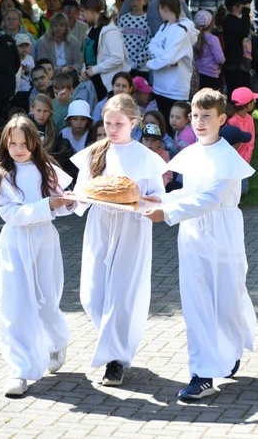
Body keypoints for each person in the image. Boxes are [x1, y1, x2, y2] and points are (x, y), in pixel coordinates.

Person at [143, 88, 255, 401]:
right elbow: (190, 193)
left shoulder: (226, 157)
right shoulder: (192, 152)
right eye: (195, 116)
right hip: (192, 236)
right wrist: (161, 198)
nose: (199, 122)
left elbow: (209, 199)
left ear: (222, 118)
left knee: (227, 299)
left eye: (207, 116)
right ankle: (202, 373)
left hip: (223, 233)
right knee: (196, 303)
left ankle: (230, 349)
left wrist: (166, 212)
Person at [69, 93, 167, 386]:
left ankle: (115, 361)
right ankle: (116, 347)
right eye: (108, 123)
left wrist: (147, 203)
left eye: (118, 124)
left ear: (133, 124)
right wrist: (71, 200)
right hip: (100, 224)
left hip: (132, 228)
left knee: (123, 295)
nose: (112, 129)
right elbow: (81, 193)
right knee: (91, 293)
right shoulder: (95, 153)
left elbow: (158, 197)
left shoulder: (146, 158)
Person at [0, 115, 74, 397]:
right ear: (5, 144)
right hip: (15, 242)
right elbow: (13, 215)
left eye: (25, 143)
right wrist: (49, 204)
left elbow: (61, 208)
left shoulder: (48, 170)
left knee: (46, 299)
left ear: (35, 143)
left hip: (44, 239)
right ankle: (19, 369)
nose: (19, 149)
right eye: (13, 143)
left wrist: (66, 202)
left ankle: (56, 341)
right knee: (15, 304)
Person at [146, 0, 198, 127]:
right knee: (163, 125)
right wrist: (163, 57)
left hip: (175, 89)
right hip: (160, 87)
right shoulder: (164, 27)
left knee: (176, 126)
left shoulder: (182, 30)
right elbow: (152, 46)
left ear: (164, 8)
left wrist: (150, 63)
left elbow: (169, 58)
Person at [79, 0, 131, 102]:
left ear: (91, 10)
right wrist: (84, 72)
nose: (82, 15)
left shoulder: (110, 31)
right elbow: (89, 58)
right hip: (92, 84)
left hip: (107, 86)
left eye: (83, 11)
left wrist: (94, 70)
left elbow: (117, 57)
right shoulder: (90, 31)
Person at [227, 87, 257, 196]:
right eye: (253, 101)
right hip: (230, 163)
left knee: (242, 192)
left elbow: (251, 142)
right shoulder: (230, 120)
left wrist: (245, 161)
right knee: (238, 192)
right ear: (248, 105)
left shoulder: (249, 119)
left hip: (243, 163)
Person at [118, 0, 150, 77]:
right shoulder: (124, 19)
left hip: (142, 68)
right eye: (132, 0)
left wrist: (136, 64)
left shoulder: (148, 20)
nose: (135, 2)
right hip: (123, 65)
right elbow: (118, 40)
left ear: (145, 1)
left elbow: (148, 44)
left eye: (138, 0)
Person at [193, 10, 225, 91]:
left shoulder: (193, 38)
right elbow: (220, 59)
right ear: (211, 24)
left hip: (197, 74)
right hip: (212, 75)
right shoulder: (213, 39)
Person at [140, 122, 172, 189]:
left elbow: (167, 174)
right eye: (146, 139)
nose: (149, 143)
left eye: (153, 140)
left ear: (159, 142)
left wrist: (158, 187)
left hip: (159, 187)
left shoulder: (164, 155)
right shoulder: (137, 153)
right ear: (141, 141)